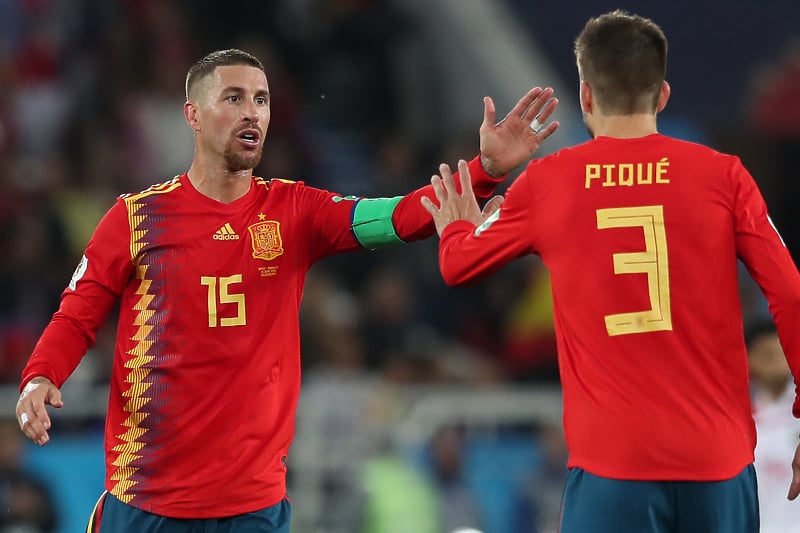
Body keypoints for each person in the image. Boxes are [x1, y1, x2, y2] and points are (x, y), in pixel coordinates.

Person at [13, 48, 558, 533]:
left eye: (262, 99)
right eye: (234, 97)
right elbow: (76, 314)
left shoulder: (296, 212)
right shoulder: (136, 219)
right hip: (147, 504)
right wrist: (40, 376)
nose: (252, 111)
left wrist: (484, 172)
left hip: (254, 509)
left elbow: (400, 217)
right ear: (193, 116)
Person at [421, 10, 800, 533]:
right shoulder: (724, 176)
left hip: (611, 466)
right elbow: (791, 293)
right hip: (716, 459)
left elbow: (457, 265)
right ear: (662, 94)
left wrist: (476, 198)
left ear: (585, 96)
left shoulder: (549, 182)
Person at [746, 320, 800, 533]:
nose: (776, 358)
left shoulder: (796, 414)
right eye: (766, 354)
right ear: (749, 359)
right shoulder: (741, 420)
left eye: (780, 350)